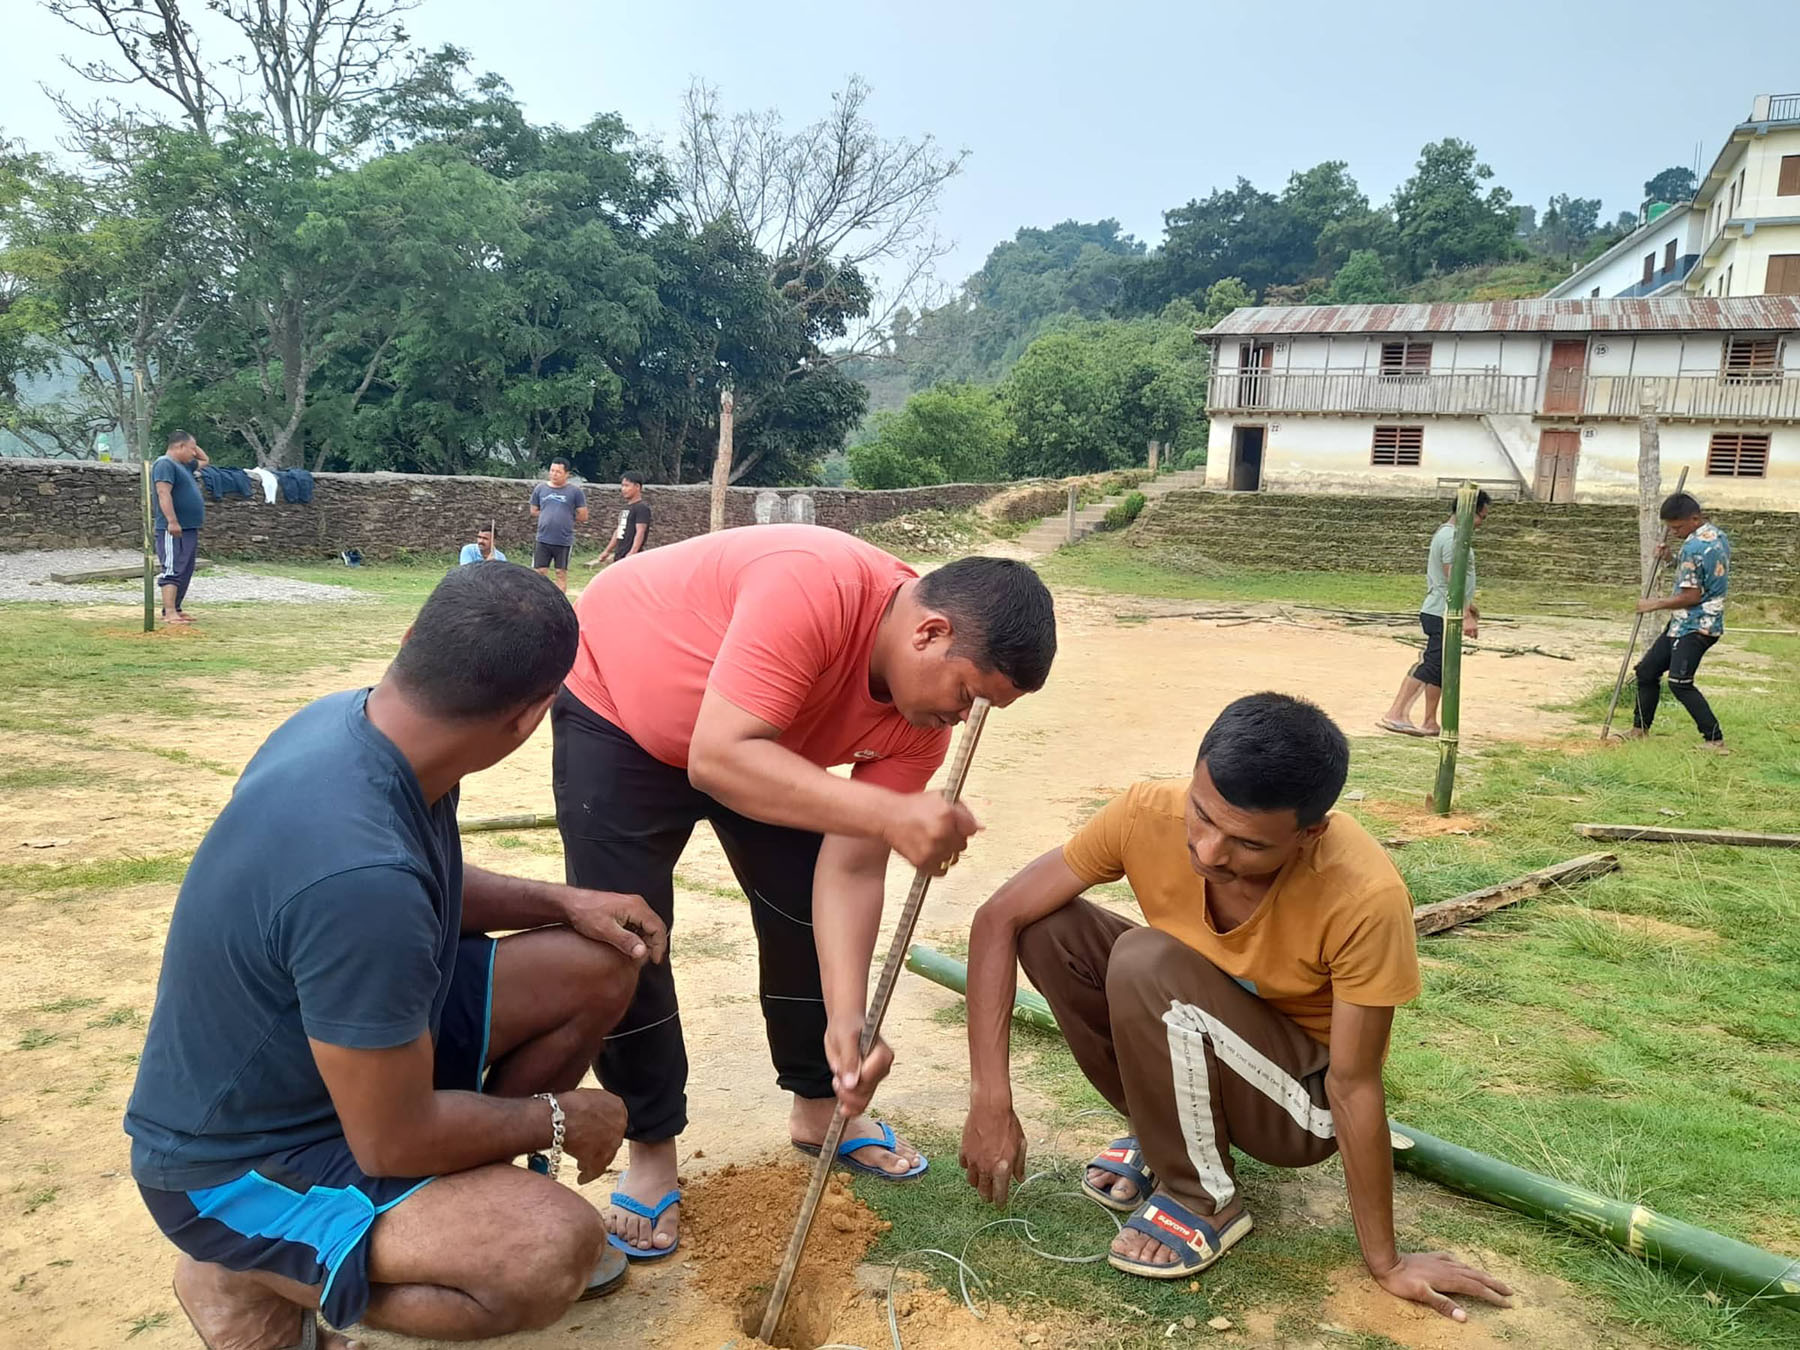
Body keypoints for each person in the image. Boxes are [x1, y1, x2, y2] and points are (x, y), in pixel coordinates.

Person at [124, 563, 669, 1348]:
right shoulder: (359, 879)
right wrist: (557, 1116)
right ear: (528, 719)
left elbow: (420, 883)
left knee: (596, 964)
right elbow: (393, 1138)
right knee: (544, 1250)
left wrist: (565, 902)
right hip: (236, 1162)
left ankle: (439, 1209)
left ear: (412, 641)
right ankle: (244, 1268)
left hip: (332, 1065)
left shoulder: (352, 726)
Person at [553, 524, 1057, 1261]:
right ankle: (651, 1144)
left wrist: (850, 1021)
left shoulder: (921, 723)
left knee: (799, 917)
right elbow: (719, 756)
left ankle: (823, 1107)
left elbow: (851, 870)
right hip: (621, 710)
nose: (960, 719)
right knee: (627, 936)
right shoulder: (814, 586)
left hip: (768, 739)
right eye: (965, 695)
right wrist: (891, 813)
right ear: (931, 633)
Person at [958, 693, 1514, 1322]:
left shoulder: (1364, 895)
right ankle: (1163, 1137)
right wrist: (990, 1098)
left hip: (1298, 1103)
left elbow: (1354, 1084)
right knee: (1048, 928)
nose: (1210, 852)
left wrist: (1385, 1261)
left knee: (1145, 961)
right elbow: (999, 917)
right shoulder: (1147, 813)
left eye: (1248, 844)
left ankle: (1203, 1201)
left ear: (1310, 834)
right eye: (1201, 815)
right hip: (1198, 1028)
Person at [1624, 492, 1730, 750]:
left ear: (1695, 518)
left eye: (1677, 527)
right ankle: (1640, 729)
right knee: (1647, 671)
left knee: (1680, 683)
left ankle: (1714, 739)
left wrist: (1654, 604)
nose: (1673, 532)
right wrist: (1670, 558)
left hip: (1698, 626)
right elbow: (1697, 574)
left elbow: (1692, 595)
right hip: (1681, 624)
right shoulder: (1715, 536)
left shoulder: (1694, 546)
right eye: (1670, 527)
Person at [1378, 491, 1490, 737]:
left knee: (1440, 667)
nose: (1481, 523)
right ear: (1469, 512)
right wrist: (1466, 615)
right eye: (1481, 516)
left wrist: (1469, 608)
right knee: (1433, 664)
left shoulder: (1454, 536)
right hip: (1441, 612)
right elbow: (1453, 579)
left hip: (1448, 610)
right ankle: (1396, 713)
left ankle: (1430, 720)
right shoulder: (1451, 538)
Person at [152, 430, 210, 625]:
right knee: (173, 567)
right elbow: (163, 492)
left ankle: (176, 608)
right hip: (173, 528)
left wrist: (189, 440)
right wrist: (172, 520)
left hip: (189, 527)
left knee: (185, 568)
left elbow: (205, 459)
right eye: (191, 449)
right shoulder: (164, 464)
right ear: (179, 447)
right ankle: (169, 612)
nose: (194, 453)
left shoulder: (184, 465)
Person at [530, 458, 588, 592]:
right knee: (539, 573)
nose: (554, 474)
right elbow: (534, 510)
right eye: (552, 471)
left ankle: (560, 604)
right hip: (543, 538)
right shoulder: (540, 489)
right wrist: (547, 515)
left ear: (567, 474)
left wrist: (566, 517)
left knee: (560, 573)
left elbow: (583, 515)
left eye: (558, 472)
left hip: (563, 540)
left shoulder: (575, 492)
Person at [588, 471, 652, 568]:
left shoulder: (641, 508)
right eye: (622, 486)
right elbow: (619, 530)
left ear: (637, 487)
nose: (623, 489)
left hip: (631, 556)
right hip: (620, 554)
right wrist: (607, 551)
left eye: (627, 486)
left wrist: (633, 552)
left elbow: (640, 531)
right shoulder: (626, 508)